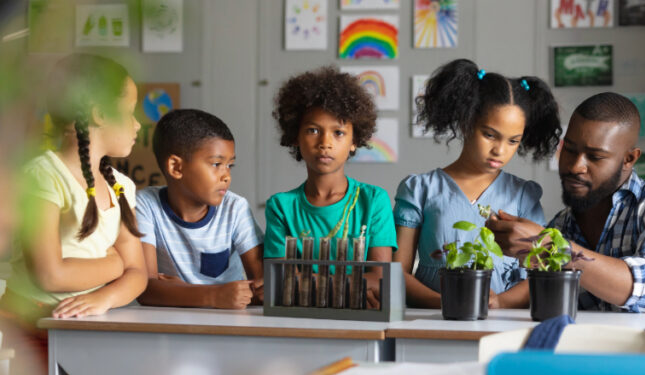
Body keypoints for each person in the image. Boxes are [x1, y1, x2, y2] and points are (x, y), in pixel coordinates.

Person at [0, 53, 148, 375]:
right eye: (130, 111)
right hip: (34, 340)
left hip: (85, 335)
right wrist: (115, 265)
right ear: (99, 113)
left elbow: (139, 274)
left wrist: (104, 296)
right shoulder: (42, 176)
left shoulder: (120, 185)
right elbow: (50, 274)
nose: (138, 125)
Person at [487, 92, 645, 313]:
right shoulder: (562, 225)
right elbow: (549, 284)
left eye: (595, 157)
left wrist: (550, 247)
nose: (575, 166)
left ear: (629, 159)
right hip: (595, 346)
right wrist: (500, 302)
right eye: (570, 150)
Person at [394, 59, 560, 309]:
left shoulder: (524, 195)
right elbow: (397, 273)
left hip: (503, 325)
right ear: (465, 122)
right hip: (431, 322)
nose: (500, 150)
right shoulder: (420, 190)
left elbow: (541, 275)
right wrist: (446, 303)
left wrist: (499, 303)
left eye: (513, 141)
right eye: (490, 135)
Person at [264, 66, 397, 304]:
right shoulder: (281, 206)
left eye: (338, 133)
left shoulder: (374, 200)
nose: (325, 143)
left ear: (354, 141)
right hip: (297, 324)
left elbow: (380, 279)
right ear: (295, 136)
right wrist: (352, 286)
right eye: (313, 130)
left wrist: (303, 280)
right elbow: (278, 278)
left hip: (360, 325)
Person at [136, 109, 264, 309]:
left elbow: (264, 288)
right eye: (216, 164)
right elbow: (145, 289)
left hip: (230, 325)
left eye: (230, 165)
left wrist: (178, 291)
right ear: (176, 167)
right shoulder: (145, 205)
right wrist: (215, 296)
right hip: (168, 327)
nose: (226, 176)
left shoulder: (235, 209)